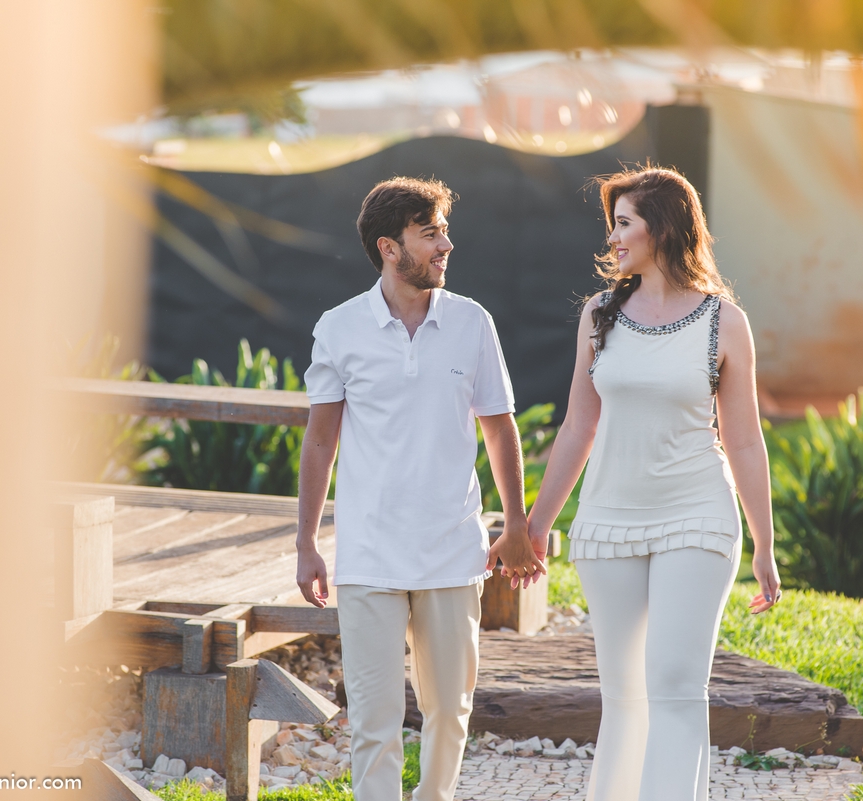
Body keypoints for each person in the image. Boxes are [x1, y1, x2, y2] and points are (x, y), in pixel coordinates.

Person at [526, 167, 782, 801]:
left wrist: (764, 545)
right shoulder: (599, 314)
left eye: (624, 223)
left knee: (672, 682)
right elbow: (578, 425)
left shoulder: (725, 322)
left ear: (662, 228)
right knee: (625, 694)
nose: (613, 238)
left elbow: (745, 440)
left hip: (697, 514)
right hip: (608, 522)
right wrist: (534, 526)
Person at [295, 176, 546, 801]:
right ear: (389, 247)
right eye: (430, 233)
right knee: (373, 724)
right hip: (369, 557)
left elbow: (499, 428)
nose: (446, 246)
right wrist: (305, 542)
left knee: (450, 713)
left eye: (445, 232)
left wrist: (516, 524)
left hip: (451, 552)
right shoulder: (339, 327)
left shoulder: (472, 322)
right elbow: (321, 441)